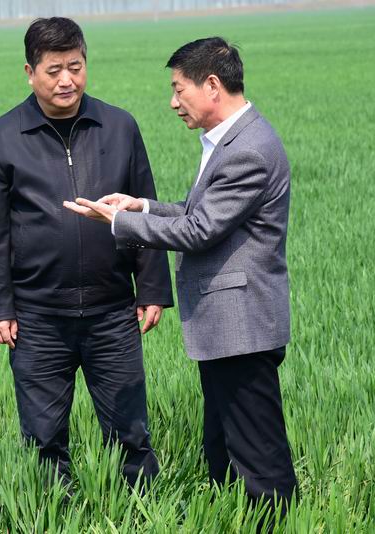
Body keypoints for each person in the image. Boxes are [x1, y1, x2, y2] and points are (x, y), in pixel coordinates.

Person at [64, 37, 299, 514]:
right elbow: (199, 213)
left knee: (258, 454)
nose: (173, 102)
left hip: (242, 328)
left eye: (178, 89)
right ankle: (237, 519)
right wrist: (141, 206)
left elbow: (199, 230)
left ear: (212, 85)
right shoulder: (230, 141)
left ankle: (279, 521)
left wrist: (117, 222)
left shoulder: (249, 149)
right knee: (224, 446)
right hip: (229, 329)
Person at [0, 17, 173, 490]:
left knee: (130, 433)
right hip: (37, 317)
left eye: (76, 67)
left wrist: (152, 289)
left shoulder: (119, 126)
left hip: (112, 311)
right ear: (30, 72)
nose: (67, 80)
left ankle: (143, 510)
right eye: (54, 70)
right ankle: (52, 513)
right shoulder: (3, 137)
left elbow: (143, 207)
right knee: (43, 438)